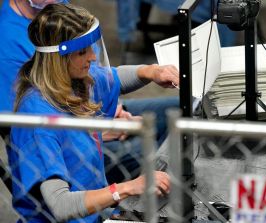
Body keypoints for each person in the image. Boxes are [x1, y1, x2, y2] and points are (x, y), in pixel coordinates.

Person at [8, 3, 170, 222]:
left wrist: (151, 71)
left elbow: (114, 77)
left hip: (96, 214)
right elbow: (61, 205)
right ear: (59, 59)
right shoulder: (39, 122)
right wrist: (127, 187)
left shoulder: (74, 81)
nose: (93, 57)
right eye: (83, 52)